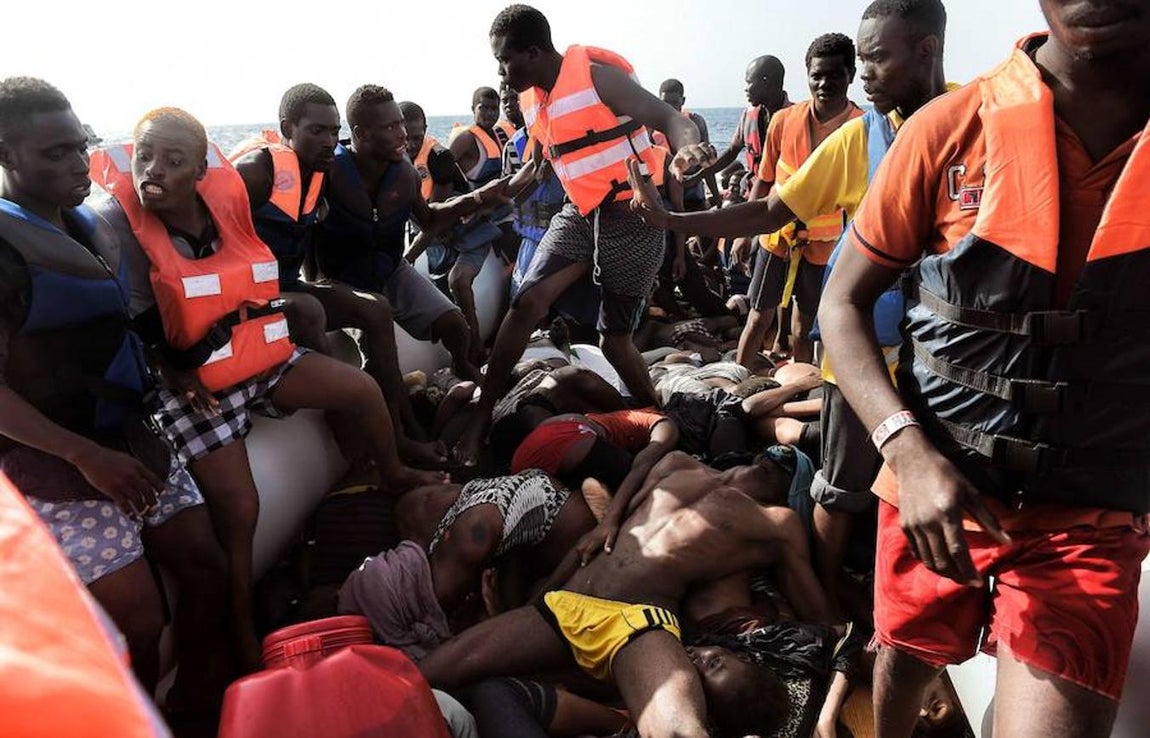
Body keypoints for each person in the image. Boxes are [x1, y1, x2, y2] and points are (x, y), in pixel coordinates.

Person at [818, 1, 1150, 735]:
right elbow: (841, 301)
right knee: (905, 652)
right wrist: (907, 454)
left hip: (1090, 516)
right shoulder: (948, 128)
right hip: (934, 478)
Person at [88, 107, 446, 671]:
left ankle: (394, 471)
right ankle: (240, 625)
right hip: (194, 387)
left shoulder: (227, 201)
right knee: (241, 511)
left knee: (359, 389)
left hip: (256, 356)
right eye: (145, 157)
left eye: (173, 161)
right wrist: (171, 366)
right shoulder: (116, 227)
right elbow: (123, 321)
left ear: (200, 171)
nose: (153, 171)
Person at [629, 0, 952, 619]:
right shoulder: (857, 140)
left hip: (947, 355)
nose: (863, 76)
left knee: (930, 480)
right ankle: (827, 595)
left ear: (926, 50)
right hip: (866, 350)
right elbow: (772, 208)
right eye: (860, 62)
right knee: (842, 484)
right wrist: (673, 220)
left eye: (876, 60)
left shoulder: (980, 118)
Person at [0, 78, 229, 708]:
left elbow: (111, 323)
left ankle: (197, 705)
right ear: (5, 154)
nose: (79, 164)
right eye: (56, 154)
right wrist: (84, 456)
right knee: (139, 627)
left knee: (207, 567)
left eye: (81, 147)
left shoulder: (85, 225)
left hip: (133, 441)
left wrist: (172, 365)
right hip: (56, 469)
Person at [454, 4, 713, 466]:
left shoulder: (599, 79)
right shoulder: (535, 101)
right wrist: (474, 203)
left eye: (504, 59)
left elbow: (672, 119)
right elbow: (535, 170)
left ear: (533, 53)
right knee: (525, 305)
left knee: (615, 341)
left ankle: (661, 422)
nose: (500, 71)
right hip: (579, 213)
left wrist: (688, 149)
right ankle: (482, 418)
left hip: (635, 215)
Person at [419, 450, 833, 738]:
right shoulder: (679, 464)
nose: (778, 455)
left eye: (790, 461)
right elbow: (617, 512)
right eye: (777, 450)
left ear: (791, 490)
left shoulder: (777, 522)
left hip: (637, 620)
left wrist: (837, 676)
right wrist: (604, 525)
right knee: (431, 673)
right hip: (565, 604)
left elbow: (819, 616)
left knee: (676, 732)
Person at [231, 83, 445, 467]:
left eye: (334, 132)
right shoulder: (257, 172)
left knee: (376, 308)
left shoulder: (318, 174)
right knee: (308, 309)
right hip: (246, 301)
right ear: (287, 129)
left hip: (287, 286)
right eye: (317, 131)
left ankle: (399, 433)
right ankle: (352, 441)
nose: (329, 142)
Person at [314, 86, 509, 381]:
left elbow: (429, 219)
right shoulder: (328, 174)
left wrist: (478, 197)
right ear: (360, 133)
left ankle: (461, 368)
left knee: (455, 326)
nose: (403, 135)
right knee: (380, 345)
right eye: (391, 127)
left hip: (391, 269)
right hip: (343, 279)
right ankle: (393, 401)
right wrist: (315, 286)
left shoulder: (404, 173)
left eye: (401, 125)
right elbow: (304, 234)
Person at [338, 469, 597, 657]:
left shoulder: (472, 549)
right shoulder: (449, 538)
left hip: (538, 516)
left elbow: (465, 646)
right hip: (493, 510)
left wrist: (505, 614)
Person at [736, 33, 862, 366]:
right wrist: (744, 234)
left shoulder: (863, 129)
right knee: (758, 317)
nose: (824, 83)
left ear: (851, 74)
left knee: (804, 326)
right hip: (775, 238)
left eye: (835, 75)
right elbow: (764, 180)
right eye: (816, 75)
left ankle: (801, 384)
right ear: (806, 75)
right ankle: (734, 382)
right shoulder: (783, 121)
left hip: (825, 245)